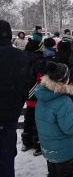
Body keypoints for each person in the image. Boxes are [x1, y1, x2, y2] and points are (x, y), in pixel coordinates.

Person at [35, 61, 73, 177]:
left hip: (48, 148)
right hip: (63, 152)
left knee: (53, 173)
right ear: (65, 79)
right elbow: (70, 127)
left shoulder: (42, 96)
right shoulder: (64, 101)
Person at [0, 20, 30, 177]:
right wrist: (18, 105)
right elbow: (26, 86)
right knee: (6, 157)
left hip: (9, 113)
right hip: (10, 115)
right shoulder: (20, 56)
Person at [22, 39, 46, 156]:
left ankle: (26, 141)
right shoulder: (40, 61)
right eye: (41, 47)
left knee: (28, 116)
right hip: (37, 93)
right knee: (38, 119)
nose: (43, 49)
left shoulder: (23, 58)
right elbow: (41, 79)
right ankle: (37, 144)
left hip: (25, 92)